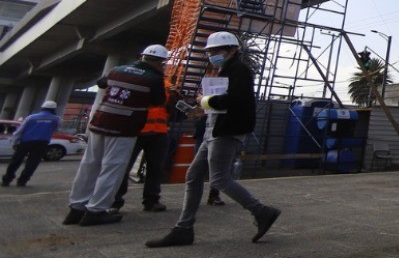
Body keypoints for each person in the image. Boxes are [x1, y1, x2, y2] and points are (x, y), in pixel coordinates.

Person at [147, 31, 281, 248]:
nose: (211, 55)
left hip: (225, 131)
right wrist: (203, 109)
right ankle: (184, 228)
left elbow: (235, 101)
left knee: (219, 179)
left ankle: (262, 211)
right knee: (193, 176)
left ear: (232, 50)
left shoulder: (239, 70)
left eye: (216, 51)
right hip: (215, 129)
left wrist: (205, 100)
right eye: (210, 51)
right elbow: (225, 103)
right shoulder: (225, 70)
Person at [64, 44, 167, 226]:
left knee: (89, 165)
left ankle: (76, 208)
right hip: (124, 128)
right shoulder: (154, 78)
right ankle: (96, 210)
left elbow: (101, 83)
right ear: (160, 62)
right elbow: (158, 101)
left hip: (100, 123)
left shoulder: (117, 69)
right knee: (112, 169)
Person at [111, 45, 173, 213]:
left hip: (159, 130)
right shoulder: (141, 78)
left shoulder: (165, 82)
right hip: (136, 129)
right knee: (123, 166)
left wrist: (175, 100)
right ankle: (115, 200)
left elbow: (167, 107)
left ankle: (151, 200)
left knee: (156, 168)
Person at [3, 100, 63, 187]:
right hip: (42, 143)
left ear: (43, 108)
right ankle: (22, 181)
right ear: (54, 109)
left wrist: (15, 141)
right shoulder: (57, 119)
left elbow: (20, 130)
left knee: (15, 161)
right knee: (32, 163)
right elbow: (57, 129)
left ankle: (6, 180)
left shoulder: (31, 117)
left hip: (25, 142)